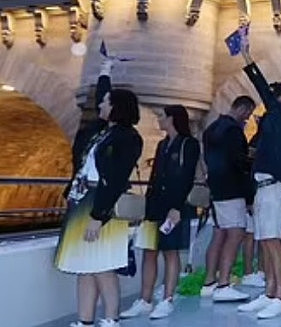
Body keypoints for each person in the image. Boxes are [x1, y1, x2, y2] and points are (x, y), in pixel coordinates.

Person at [56, 56, 144, 327]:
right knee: (85, 266)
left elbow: (116, 179)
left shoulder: (127, 137)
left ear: (116, 108)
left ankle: (111, 319)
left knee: (103, 265)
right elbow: (101, 100)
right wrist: (105, 72)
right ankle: (85, 321)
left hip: (100, 204)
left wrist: (98, 215)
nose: (101, 104)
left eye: (106, 102)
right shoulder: (102, 132)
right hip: (83, 200)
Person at [236, 39, 281, 319]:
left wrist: (248, 59)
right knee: (265, 239)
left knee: (273, 241)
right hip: (263, 186)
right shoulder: (272, 123)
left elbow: (265, 92)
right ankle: (271, 292)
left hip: (275, 185)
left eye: (271, 96)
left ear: (280, 99)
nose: (265, 100)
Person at [120, 105, 200, 320]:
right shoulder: (162, 144)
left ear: (172, 118)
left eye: (162, 116)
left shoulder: (188, 144)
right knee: (149, 250)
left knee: (170, 251)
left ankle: (167, 299)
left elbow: (186, 176)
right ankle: (145, 300)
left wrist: (177, 207)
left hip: (173, 205)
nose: (159, 120)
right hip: (155, 204)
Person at [199, 95, 256, 302]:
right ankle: (224, 283)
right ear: (242, 109)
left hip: (216, 188)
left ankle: (209, 282)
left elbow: (207, 159)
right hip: (231, 189)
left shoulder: (212, 129)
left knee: (219, 234)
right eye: (247, 115)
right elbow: (239, 163)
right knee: (235, 234)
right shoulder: (233, 131)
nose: (247, 119)